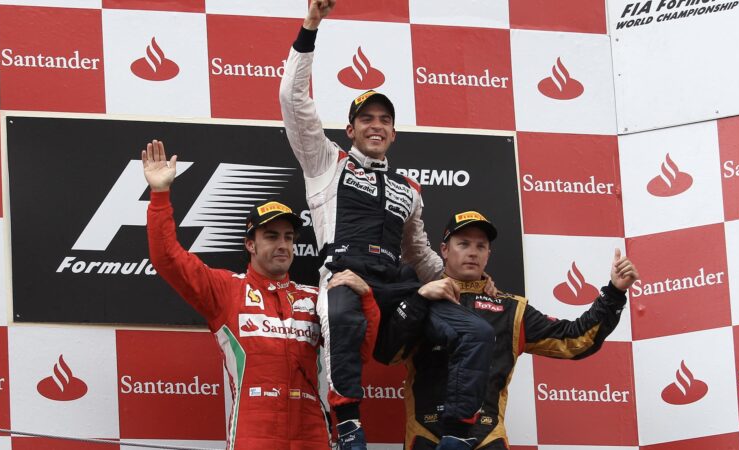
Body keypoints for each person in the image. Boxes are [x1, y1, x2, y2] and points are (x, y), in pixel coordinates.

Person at [279, 2, 496, 448]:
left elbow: (419, 254)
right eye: (366, 120)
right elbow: (292, 99)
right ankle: (348, 425)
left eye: (384, 120)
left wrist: (471, 281)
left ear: (394, 133)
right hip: (344, 280)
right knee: (340, 308)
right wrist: (310, 27)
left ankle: (455, 434)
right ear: (351, 130)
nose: (375, 126)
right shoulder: (326, 163)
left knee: (476, 330)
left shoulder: (409, 187)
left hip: (395, 291)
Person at [142, 139, 378, 450]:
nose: (282, 244)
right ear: (250, 245)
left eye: (288, 237)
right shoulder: (227, 290)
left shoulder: (316, 297)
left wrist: (368, 301)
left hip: (312, 434)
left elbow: (356, 355)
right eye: (271, 236)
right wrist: (160, 195)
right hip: (254, 434)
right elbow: (167, 259)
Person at [385, 210, 639, 449]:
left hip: (486, 437)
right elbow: (388, 353)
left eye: (480, 246)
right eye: (463, 244)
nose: (472, 252)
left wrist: (614, 293)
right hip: (427, 434)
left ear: (488, 254)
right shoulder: (421, 299)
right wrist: (419, 300)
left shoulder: (511, 309)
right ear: (444, 250)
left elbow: (574, 340)